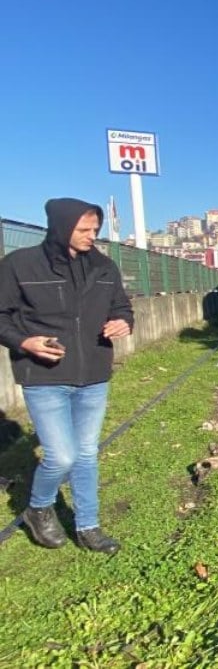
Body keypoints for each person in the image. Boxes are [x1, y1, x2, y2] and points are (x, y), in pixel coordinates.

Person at [0, 198, 134, 554]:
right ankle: (38, 507)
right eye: (84, 230)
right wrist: (24, 341)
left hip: (93, 374)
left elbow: (121, 305)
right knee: (62, 456)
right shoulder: (19, 264)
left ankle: (88, 527)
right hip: (44, 375)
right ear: (61, 228)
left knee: (87, 453)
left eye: (95, 229)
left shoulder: (104, 267)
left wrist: (124, 321)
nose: (92, 236)